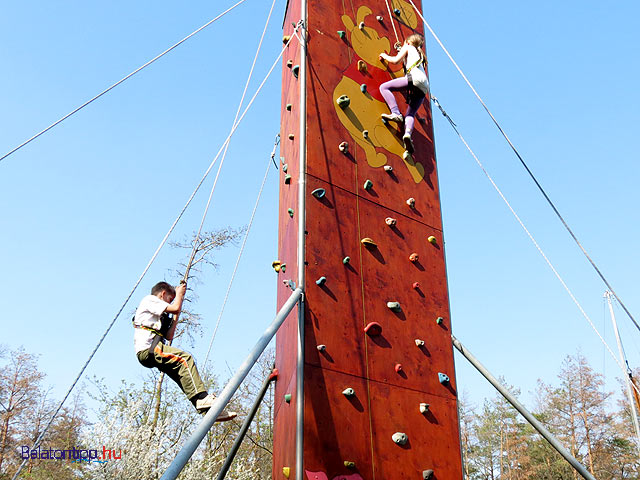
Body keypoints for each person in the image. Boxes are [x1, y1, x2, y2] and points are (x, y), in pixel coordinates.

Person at [133, 281, 237, 420]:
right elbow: (175, 307)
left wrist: (175, 316)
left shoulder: (159, 315)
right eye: (169, 299)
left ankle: (207, 410)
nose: (170, 302)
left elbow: (169, 335)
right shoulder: (149, 300)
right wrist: (180, 296)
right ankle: (204, 398)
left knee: (181, 375)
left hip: (152, 350)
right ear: (163, 294)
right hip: (149, 348)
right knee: (185, 359)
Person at [378, 34, 430, 154]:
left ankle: (395, 113)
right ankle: (407, 134)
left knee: (384, 87)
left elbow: (395, 60)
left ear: (408, 42)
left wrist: (385, 55)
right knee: (410, 113)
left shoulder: (408, 47)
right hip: (424, 86)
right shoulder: (420, 55)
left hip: (414, 79)